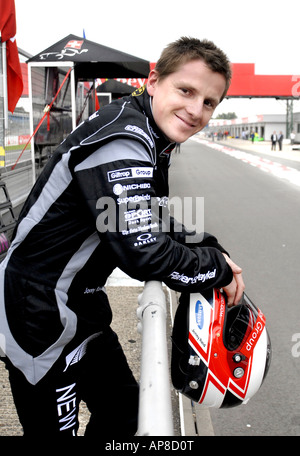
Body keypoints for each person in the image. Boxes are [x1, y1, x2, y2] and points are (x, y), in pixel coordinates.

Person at [0, 37, 244, 437]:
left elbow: (151, 219)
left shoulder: (150, 135)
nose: (195, 109)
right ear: (153, 81)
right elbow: (143, 252)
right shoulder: (123, 137)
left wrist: (209, 245)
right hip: (38, 310)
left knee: (128, 414)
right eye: (186, 90)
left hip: (81, 304)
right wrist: (216, 268)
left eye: (208, 102)